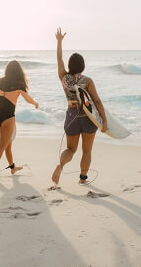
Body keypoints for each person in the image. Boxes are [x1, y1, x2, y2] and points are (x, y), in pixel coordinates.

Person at [51, 27, 108, 185]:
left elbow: (59, 59)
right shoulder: (87, 80)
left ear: (70, 65)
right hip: (87, 117)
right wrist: (104, 121)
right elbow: (96, 101)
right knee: (87, 150)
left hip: (72, 116)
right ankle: (83, 178)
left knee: (71, 149)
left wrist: (59, 41)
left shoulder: (64, 77)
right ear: (83, 66)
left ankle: (60, 165)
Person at [0, 60, 39, 179]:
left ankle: (12, 167)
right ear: (18, 72)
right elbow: (28, 99)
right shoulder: (19, 84)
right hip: (8, 118)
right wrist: (35, 103)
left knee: (7, 144)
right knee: (2, 145)